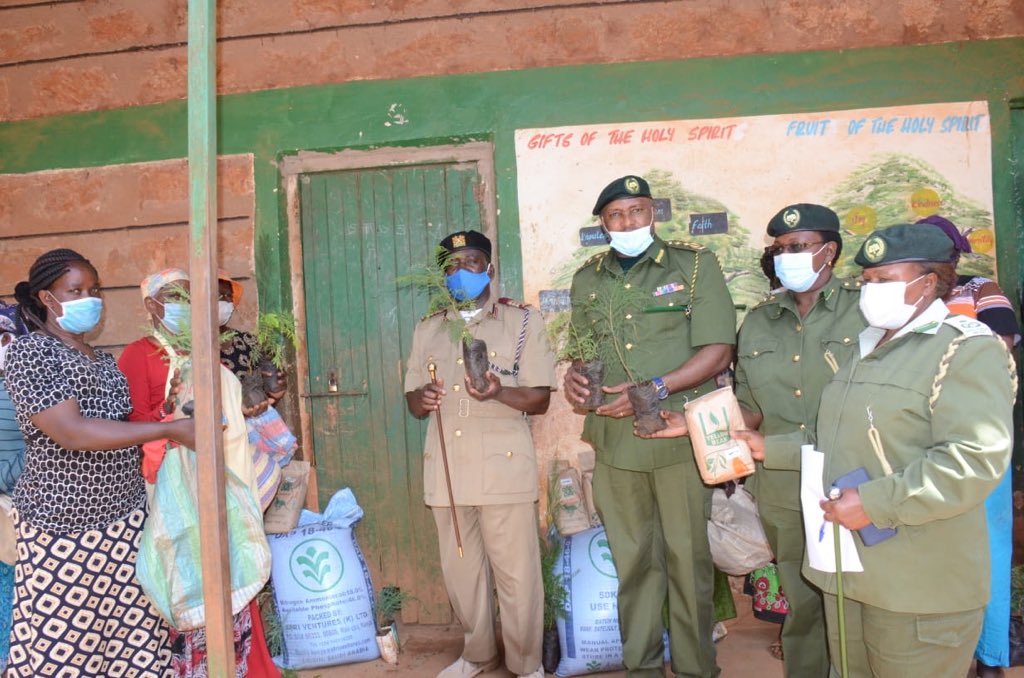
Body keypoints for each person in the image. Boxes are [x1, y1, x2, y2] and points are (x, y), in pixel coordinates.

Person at [739, 224, 1014, 677]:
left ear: (928, 283)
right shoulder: (868, 346)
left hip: (916, 583)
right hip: (851, 573)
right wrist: (769, 448)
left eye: (885, 280)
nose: (870, 291)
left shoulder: (964, 348)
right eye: (867, 280)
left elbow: (973, 460)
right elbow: (839, 439)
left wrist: (873, 503)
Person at [564, 176, 736, 677]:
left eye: (636, 211)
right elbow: (583, 351)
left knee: (687, 560)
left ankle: (696, 667)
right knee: (633, 565)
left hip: (677, 435)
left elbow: (718, 350)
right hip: (616, 444)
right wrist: (574, 377)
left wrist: (654, 389)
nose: (627, 222)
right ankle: (641, 667)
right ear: (603, 224)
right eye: (615, 215)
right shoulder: (587, 279)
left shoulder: (693, 265)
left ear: (652, 213)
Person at [4, 248, 196, 677]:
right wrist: (165, 431)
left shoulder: (103, 360)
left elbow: (121, 426)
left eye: (94, 290)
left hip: (125, 522)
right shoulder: (31, 354)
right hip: (63, 529)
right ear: (47, 297)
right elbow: (72, 432)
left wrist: (171, 414)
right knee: (68, 647)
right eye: (75, 291)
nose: (90, 299)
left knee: (135, 643)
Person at [404, 230, 556, 678]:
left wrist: (498, 392)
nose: (461, 271)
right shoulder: (429, 327)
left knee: (517, 577)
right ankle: (477, 655)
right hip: (448, 472)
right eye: (451, 266)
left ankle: (527, 664)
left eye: (470, 261)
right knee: (462, 574)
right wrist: (421, 399)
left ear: (488, 268)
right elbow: (412, 399)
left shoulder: (521, 322)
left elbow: (540, 399)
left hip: (502, 471)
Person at [118, 267, 281, 678]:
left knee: (231, 570)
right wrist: (170, 420)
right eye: (176, 298)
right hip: (173, 486)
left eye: (191, 298)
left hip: (224, 477)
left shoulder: (204, 352)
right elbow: (132, 423)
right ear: (151, 305)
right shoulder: (139, 354)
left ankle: (247, 665)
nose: (187, 306)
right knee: (191, 577)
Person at [916, 215, 1020, 678]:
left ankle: (990, 657)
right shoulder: (900, 296)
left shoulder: (979, 290)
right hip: (915, 435)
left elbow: (1000, 347)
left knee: (989, 548)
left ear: (956, 256)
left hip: (976, 435)